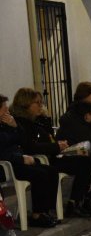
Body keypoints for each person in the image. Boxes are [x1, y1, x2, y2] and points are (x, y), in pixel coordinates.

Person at [10, 87, 91, 218]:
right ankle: (60, 207)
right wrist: (56, 147)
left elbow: (49, 137)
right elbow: (31, 146)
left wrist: (45, 118)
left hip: (52, 155)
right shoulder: (22, 123)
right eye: (38, 103)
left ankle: (78, 201)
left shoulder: (36, 121)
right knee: (82, 163)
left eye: (41, 103)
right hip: (42, 158)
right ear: (26, 104)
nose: (41, 106)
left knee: (89, 158)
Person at [0, 94, 59, 227]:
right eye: (4, 108)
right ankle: (37, 215)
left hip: (18, 161)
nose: (7, 111)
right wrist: (20, 158)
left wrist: (15, 126)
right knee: (40, 174)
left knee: (51, 170)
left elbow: (23, 141)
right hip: (8, 166)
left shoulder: (7, 124)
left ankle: (46, 210)